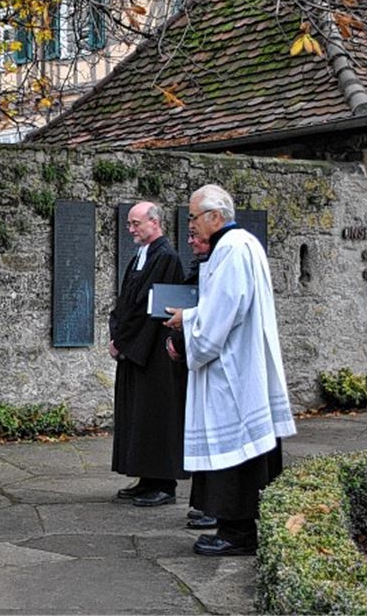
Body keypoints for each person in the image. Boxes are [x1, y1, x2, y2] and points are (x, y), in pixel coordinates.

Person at [165, 184, 297, 556]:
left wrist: (185, 321)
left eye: (193, 217)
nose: (190, 224)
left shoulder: (232, 250)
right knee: (241, 450)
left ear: (214, 216)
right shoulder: (241, 245)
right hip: (239, 363)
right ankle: (232, 527)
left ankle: (237, 532)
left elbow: (221, 313)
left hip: (232, 371)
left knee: (235, 451)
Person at [108, 202, 187, 507]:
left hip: (153, 352)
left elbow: (148, 307)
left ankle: (163, 484)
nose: (131, 230)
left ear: (154, 223)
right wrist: (116, 334)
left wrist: (125, 343)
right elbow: (126, 300)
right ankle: (145, 478)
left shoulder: (165, 257)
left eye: (136, 224)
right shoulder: (142, 256)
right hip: (136, 349)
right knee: (139, 415)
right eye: (129, 224)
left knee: (156, 415)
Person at [165, 230, 217, 531]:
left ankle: (215, 506)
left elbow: (211, 314)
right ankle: (204, 501)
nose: (190, 241)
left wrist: (185, 327)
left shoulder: (223, 264)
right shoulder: (201, 264)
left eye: (196, 235)